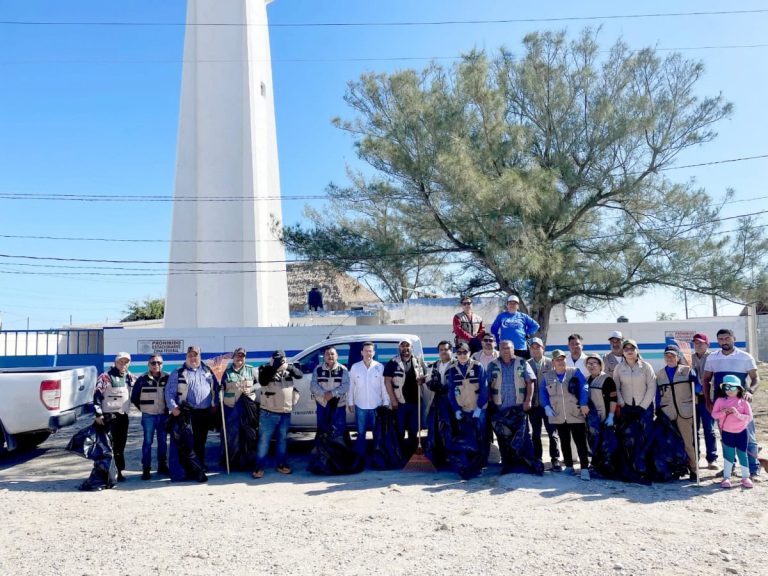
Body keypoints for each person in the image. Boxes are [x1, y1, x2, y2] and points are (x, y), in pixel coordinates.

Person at [702, 328, 761, 482]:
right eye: (721, 339)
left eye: (727, 338)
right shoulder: (712, 358)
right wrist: (708, 401)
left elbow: (756, 378)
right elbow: (706, 380)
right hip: (722, 406)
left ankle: (753, 470)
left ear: (734, 338)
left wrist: (750, 392)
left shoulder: (745, 357)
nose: (724, 342)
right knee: (726, 437)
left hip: (742, 405)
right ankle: (730, 468)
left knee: (749, 437)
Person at [80, 352, 135, 489]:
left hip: (123, 417)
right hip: (108, 418)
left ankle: (118, 472)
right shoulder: (105, 377)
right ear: (115, 362)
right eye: (121, 361)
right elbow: (97, 396)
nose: (123, 364)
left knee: (120, 446)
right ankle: (106, 473)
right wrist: (98, 414)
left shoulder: (129, 377)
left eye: (126, 362)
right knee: (107, 447)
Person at [165, 345, 219, 472]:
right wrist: (173, 408)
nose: (193, 358)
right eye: (190, 356)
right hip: (187, 414)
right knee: (189, 442)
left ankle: (200, 466)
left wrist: (215, 403)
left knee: (201, 441)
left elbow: (215, 388)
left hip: (204, 413)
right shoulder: (178, 372)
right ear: (186, 357)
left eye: (195, 355)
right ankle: (189, 468)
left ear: (200, 356)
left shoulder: (207, 371)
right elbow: (169, 392)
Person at [540, 350, 591, 480]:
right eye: (557, 360)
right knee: (564, 441)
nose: (560, 362)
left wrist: (583, 403)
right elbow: (542, 392)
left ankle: (584, 468)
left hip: (575, 413)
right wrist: (546, 406)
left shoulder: (574, 372)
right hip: (558, 414)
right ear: (553, 362)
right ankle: (569, 466)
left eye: (562, 359)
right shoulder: (547, 376)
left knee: (580, 441)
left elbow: (584, 387)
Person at [252, 350, 303, 478]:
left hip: (285, 412)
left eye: (280, 359)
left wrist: (288, 367)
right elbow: (263, 381)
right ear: (272, 359)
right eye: (276, 359)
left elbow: (300, 375)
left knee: (282, 440)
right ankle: (259, 467)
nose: (278, 362)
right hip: (268, 413)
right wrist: (273, 367)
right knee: (264, 441)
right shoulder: (265, 368)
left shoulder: (289, 369)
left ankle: (281, 464)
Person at [656, 345, 698, 481]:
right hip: (668, 413)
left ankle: (694, 469)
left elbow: (697, 389)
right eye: (667, 356)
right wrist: (658, 408)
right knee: (670, 443)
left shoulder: (687, 371)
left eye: (672, 355)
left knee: (688, 443)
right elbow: (658, 394)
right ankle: (675, 469)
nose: (669, 358)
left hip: (685, 411)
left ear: (678, 357)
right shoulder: (660, 374)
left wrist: (695, 383)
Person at [447, 342, 489, 476]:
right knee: (466, 439)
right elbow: (451, 391)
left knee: (481, 437)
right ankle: (469, 465)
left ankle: (481, 465)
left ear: (469, 353)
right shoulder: (452, 369)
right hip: (463, 410)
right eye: (459, 353)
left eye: (465, 352)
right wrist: (456, 409)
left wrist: (479, 408)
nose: (462, 355)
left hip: (478, 410)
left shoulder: (477, 366)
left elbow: (484, 388)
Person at [383, 340, 429, 457]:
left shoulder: (418, 361)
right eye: (402, 346)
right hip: (400, 403)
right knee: (400, 430)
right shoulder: (393, 362)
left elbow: (426, 376)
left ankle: (412, 455)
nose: (405, 348)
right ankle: (400, 455)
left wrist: (422, 379)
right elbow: (387, 381)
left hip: (416, 403)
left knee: (414, 430)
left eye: (407, 346)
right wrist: (393, 400)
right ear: (399, 348)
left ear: (411, 347)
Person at [130, 354, 169, 480]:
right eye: (153, 363)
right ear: (148, 365)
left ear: (162, 364)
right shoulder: (142, 379)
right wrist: (144, 409)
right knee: (147, 442)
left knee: (163, 442)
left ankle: (162, 466)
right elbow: (134, 398)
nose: (156, 365)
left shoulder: (167, 378)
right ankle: (146, 468)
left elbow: (171, 395)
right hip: (148, 417)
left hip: (163, 416)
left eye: (159, 363)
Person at [712, 375, 754, 489]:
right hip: (727, 432)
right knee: (728, 455)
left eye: (733, 387)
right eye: (726, 387)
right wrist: (723, 412)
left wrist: (737, 414)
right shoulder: (720, 401)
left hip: (742, 432)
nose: (729, 390)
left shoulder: (744, 402)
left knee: (742, 454)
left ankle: (745, 477)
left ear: (739, 389)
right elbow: (714, 415)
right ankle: (726, 477)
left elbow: (749, 417)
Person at [220, 347, 259, 470]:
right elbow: (220, 386)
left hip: (248, 408)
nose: (240, 358)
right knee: (233, 435)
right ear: (234, 357)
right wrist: (220, 388)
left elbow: (260, 383)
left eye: (242, 356)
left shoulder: (252, 370)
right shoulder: (226, 372)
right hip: (232, 408)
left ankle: (249, 462)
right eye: (238, 355)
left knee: (249, 435)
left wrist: (251, 388)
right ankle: (232, 462)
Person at [348, 342, 388, 461]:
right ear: (362, 352)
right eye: (366, 351)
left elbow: (383, 386)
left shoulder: (379, 367)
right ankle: (361, 458)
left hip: (376, 406)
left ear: (374, 353)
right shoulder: (355, 367)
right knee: (361, 433)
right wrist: (350, 402)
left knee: (377, 433)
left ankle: (376, 457)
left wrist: (386, 402)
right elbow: (351, 386)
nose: (368, 353)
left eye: (370, 351)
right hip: (360, 406)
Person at [527, 338, 562, 471]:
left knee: (552, 433)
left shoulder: (551, 363)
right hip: (534, 405)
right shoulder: (526, 364)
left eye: (538, 347)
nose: (535, 350)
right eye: (533, 347)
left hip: (549, 405)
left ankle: (555, 459)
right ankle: (538, 458)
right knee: (535, 434)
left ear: (543, 348)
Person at [425, 340, 455, 467]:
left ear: (451, 351)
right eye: (441, 350)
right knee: (434, 430)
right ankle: (437, 459)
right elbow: (428, 379)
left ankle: (451, 458)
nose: (443, 352)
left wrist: (446, 388)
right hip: (436, 400)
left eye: (446, 349)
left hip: (452, 402)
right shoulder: (434, 365)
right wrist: (428, 382)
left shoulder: (456, 364)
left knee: (450, 430)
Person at [690, 333, 718, 470]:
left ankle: (712, 459)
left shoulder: (713, 357)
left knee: (709, 429)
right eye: (696, 343)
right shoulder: (689, 358)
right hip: (693, 398)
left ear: (707, 344)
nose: (698, 345)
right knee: (694, 429)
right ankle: (695, 459)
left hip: (708, 397)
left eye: (701, 343)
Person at [310, 346, 350, 433]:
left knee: (338, 431)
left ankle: (337, 442)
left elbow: (346, 386)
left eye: (332, 354)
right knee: (322, 431)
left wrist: (332, 394)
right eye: (327, 354)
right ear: (324, 356)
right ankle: (322, 442)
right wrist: (324, 394)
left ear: (337, 356)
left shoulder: (343, 369)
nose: (330, 356)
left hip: (338, 405)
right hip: (322, 404)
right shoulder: (318, 369)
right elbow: (313, 385)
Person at [490, 295, 540, 359]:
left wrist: (525, 332)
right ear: (507, 305)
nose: (512, 305)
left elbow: (535, 326)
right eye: (510, 303)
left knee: (521, 365)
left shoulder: (523, 316)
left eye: (515, 303)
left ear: (518, 306)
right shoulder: (501, 316)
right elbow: (493, 329)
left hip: (520, 347)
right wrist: (497, 340)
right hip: (505, 348)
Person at [613, 339, 657, 413]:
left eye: (632, 348)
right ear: (623, 352)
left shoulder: (646, 366)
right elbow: (616, 387)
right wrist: (622, 403)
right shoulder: (618, 368)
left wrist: (643, 406)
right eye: (626, 349)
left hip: (645, 408)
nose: (629, 351)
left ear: (637, 350)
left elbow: (652, 387)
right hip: (626, 407)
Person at [584, 354, 617, 425]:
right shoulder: (585, 380)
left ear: (600, 365)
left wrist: (611, 416)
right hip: (591, 418)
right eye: (589, 363)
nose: (591, 366)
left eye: (594, 363)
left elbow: (613, 399)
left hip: (605, 418)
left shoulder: (607, 379)